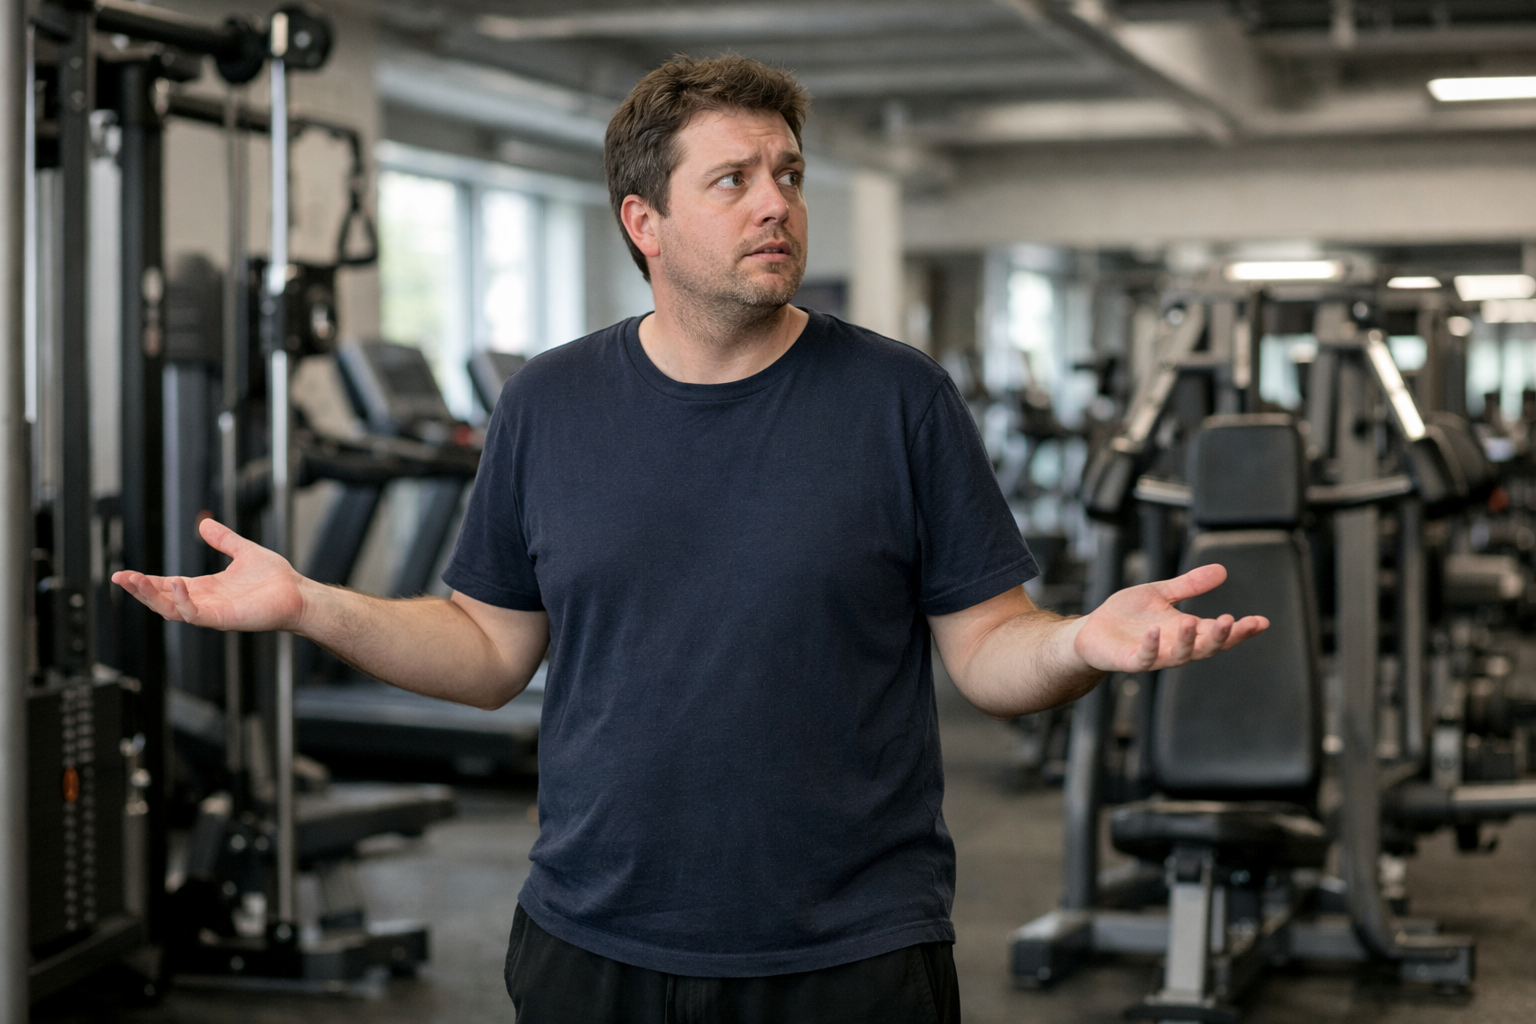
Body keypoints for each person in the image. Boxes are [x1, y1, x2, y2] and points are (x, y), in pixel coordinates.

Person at [115, 55, 1267, 1024]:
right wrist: (311, 601)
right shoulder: (549, 405)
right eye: (734, 179)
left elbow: (988, 648)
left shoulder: (899, 398)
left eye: (789, 175)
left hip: (851, 951)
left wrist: (1080, 643)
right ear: (645, 221)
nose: (777, 202)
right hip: (593, 940)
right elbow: (484, 648)